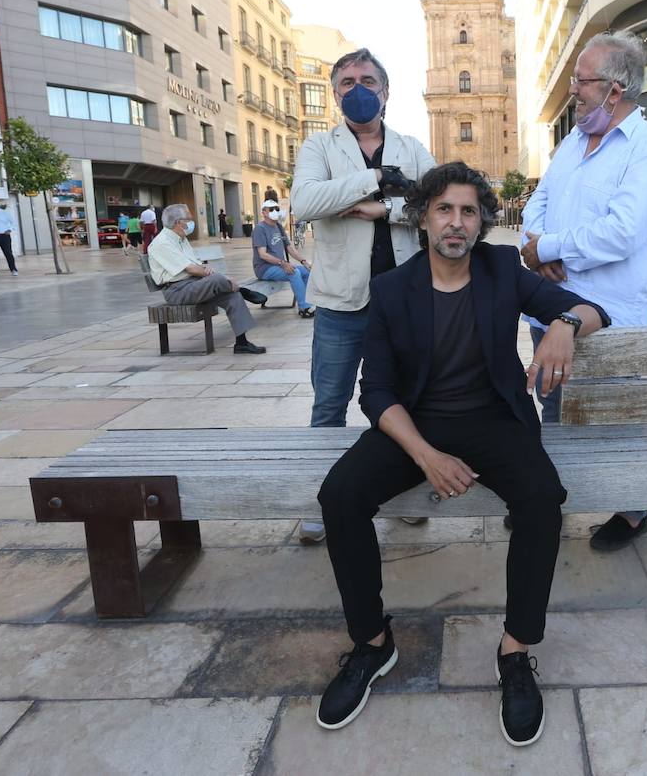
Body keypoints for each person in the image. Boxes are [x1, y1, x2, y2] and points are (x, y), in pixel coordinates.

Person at [314, 163, 609, 745]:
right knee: (340, 495)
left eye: (468, 211)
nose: (456, 222)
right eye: (444, 209)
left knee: (543, 498)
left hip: (495, 420)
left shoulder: (501, 269)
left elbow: (594, 309)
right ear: (423, 217)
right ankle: (372, 644)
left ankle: (516, 650)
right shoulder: (394, 288)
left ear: (482, 222)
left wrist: (565, 324)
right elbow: (374, 391)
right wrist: (426, 457)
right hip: (417, 424)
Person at [520, 30, 647, 552]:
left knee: (618, 418)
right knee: (555, 408)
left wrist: (551, 248)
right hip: (551, 308)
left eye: (581, 81)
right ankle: (548, 499)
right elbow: (535, 204)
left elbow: (623, 231)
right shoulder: (570, 141)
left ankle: (633, 512)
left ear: (614, 88)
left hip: (613, 317)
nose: (572, 90)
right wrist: (536, 248)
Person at [290, 47, 438, 544]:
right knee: (329, 405)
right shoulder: (319, 147)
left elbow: (438, 205)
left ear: (386, 91)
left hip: (405, 304)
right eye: (347, 82)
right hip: (340, 303)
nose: (358, 90)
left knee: (406, 404)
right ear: (335, 94)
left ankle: (404, 496)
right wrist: (376, 179)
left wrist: (382, 210)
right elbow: (307, 201)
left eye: (368, 81)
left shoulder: (413, 146)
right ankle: (323, 500)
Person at [146, 203, 269, 353]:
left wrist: (206, 271)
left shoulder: (181, 238)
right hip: (177, 291)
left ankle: (241, 343)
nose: (192, 222)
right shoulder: (162, 243)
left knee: (233, 296)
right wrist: (210, 274)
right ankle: (241, 289)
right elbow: (191, 268)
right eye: (189, 219)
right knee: (217, 279)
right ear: (179, 222)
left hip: (195, 285)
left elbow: (197, 264)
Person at [253, 199, 315, 318]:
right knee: (294, 272)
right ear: (264, 213)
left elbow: (289, 248)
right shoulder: (260, 229)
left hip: (278, 266)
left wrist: (304, 262)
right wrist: (283, 263)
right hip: (264, 268)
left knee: (306, 271)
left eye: (277, 209)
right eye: (271, 209)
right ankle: (304, 307)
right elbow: (262, 254)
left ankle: (309, 303)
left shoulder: (279, 227)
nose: (275, 211)